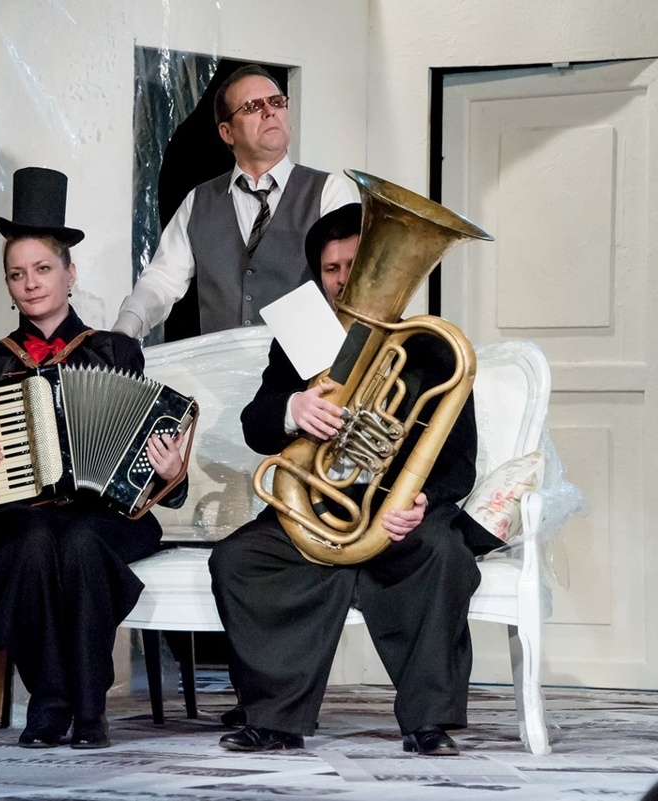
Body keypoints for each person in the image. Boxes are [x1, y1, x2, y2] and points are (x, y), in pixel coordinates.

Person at [208, 204, 504, 756]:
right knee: (238, 559)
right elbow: (256, 425)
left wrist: (421, 500)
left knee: (442, 554)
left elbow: (459, 463)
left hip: (396, 514)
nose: (344, 279)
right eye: (331, 268)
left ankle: (428, 722)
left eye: (355, 264)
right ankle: (272, 718)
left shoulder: (433, 348)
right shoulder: (301, 338)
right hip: (317, 504)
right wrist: (293, 408)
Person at [0, 167, 189, 750]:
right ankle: (49, 705)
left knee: (78, 541)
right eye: (17, 274)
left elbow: (145, 451)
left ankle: (89, 707)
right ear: (8, 285)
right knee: (28, 541)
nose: (30, 283)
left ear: (69, 274)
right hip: (20, 512)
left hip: (104, 515)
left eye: (43, 269)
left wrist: (171, 473)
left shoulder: (114, 351)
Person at [113, 64, 357, 339]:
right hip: (221, 364)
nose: (270, 111)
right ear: (227, 132)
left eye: (277, 102)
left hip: (304, 362)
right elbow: (162, 280)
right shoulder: (198, 202)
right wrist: (124, 330)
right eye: (253, 106)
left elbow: (350, 285)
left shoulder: (327, 191)